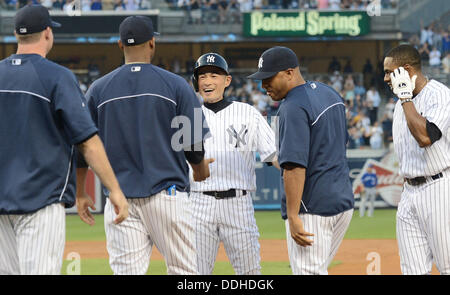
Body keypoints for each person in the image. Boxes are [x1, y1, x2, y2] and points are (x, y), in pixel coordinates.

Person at [76, 16, 213, 275]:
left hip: (120, 199)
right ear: (152, 42)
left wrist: (81, 191)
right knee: (185, 273)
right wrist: (200, 169)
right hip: (168, 195)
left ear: (119, 45)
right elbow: (192, 145)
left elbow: (83, 146)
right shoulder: (176, 86)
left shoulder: (97, 89)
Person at [0, 5, 128, 275]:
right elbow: (88, 142)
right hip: (41, 202)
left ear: (16, 35)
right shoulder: (56, 76)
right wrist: (114, 189)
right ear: (47, 33)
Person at [248, 46, 354, 275]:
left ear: (289, 72)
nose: (263, 86)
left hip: (312, 207)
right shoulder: (330, 93)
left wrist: (294, 215)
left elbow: (294, 167)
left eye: (268, 78)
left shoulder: (292, 106)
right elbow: (341, 143)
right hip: (343, 202)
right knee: (318, 268)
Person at [189, 53, 278, 275]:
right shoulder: (188, 116)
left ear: (227, 80)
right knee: (193, 274)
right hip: (198, 203)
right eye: (202, 77)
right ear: (196, 83)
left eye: (213, 75)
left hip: (238, 203)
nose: (207, 81)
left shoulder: (247, 113)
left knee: (249, 272)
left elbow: (275, 155)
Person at [383, 44, 450, 275]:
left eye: (389, 72)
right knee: (412, 270)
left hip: (438, 188)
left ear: (406, 70)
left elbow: (425, 137)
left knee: (447, 265)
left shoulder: (439, 95)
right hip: (409, 192)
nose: (385, 78)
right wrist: (404, 98)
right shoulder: (401, 104)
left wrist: (405, 97)